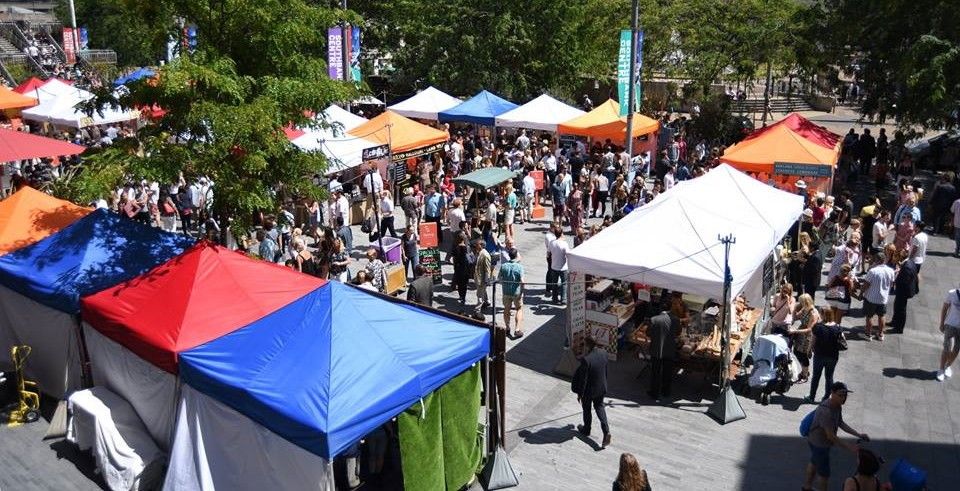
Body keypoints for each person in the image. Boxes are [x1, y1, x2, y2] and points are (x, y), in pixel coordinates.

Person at [803, 382, 869, 491]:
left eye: (845, 395)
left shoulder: (837, 406)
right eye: (840, 395)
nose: (843, 398)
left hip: (818, 442)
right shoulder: (826, 412)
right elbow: (831, 436)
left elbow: (841, 423)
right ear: (832, 393)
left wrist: (858, 434)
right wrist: (850, 447)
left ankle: (806, 487)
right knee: (824, 475)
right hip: (819, 445)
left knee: (814, 462)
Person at [574, 336, 612, 449]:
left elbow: (583, 380)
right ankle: (606, 431)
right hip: (601, 387)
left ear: (587, 345)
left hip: (589, 391)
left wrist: (580, 394)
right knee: (600, 408)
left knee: (587, 409)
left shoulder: (586, 360)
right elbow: (605, 370)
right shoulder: (604, 353)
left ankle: (586, 429)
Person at [808, 307, 844, 402]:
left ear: (823, 315)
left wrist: (809, 350)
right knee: (829, 377)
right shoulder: (838, 327)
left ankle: (811, 397)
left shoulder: (817, 327)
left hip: (819, 355)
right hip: (833, 356)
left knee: (816, 376)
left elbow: (813, 341)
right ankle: (826, 398)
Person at [647, 307, 679, 402]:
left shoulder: (654, 319)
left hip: (656, 350)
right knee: (667, 372)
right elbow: (678, 332)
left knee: (655, 372)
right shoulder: (675, 319)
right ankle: (666, 392)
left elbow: (648, 333)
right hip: (670, 350)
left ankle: (654, 393)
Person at [861, 253, 895, 341]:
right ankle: (880, 334)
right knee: (882, 316)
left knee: (869, 316)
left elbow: (866, 284)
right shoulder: (891, 271)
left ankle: (868, 334)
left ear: (877, 260)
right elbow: (892, 284)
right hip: (883, 299)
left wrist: (861, 293)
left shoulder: (873, 271)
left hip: (871, 298)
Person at [792, 293, 820, 382]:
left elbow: (809, 329)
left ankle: (805, 375)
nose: (800, 304)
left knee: (803, 355)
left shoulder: (813, 313)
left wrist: (795, 331)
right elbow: (795, 317)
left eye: (801, 302)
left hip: (808, 336)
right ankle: (805, 371)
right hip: (801, 333)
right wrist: (794, 309)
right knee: (796, 351)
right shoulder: (805, 308)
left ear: (805, 302)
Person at [889, 251, 919, 333]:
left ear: (900, 257)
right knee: (896, 306)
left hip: (903, 291)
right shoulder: (909, 262)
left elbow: (904, 281)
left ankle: (899, 328)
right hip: (902, 290)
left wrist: (895, 281)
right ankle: (894, 322)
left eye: (896, 257)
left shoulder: (907, 267)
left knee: (901, 309)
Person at [498, 248, 525, 338]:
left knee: (506, 309)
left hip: (506, 291)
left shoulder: (503, 266)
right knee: (519, 308)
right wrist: (522, 291)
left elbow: (499, 279)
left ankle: (507, 327)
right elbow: (522, 281)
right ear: (516, 255)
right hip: (516, 292)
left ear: (509, 255)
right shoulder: (519, 267)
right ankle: (517, 329)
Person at [936, 284, 960, 381]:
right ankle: (941, 369)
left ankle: (948, 366)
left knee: (957, 349)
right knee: (947, 348)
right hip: (950, 324)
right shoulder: (952, 293)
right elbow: (944, 308)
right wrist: (942, 323)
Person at [451, 234, 470, 311]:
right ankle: (463, 297)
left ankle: (461, 295)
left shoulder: (456, 248)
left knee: (459, 283)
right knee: (464, 284)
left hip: (458, 268)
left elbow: (454, 258)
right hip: (466, 268)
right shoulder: (467, 248)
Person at [473, 239, 492, 310]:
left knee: (479, 295)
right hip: (478, 277)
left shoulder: (485, 255)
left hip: (482, 279)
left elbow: (487, 269)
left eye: (477, 244)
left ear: (481, 245)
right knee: (483, 290)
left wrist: (486, 280)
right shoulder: (479, 252)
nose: (475, 245)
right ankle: (486, 301)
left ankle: (478, 309)